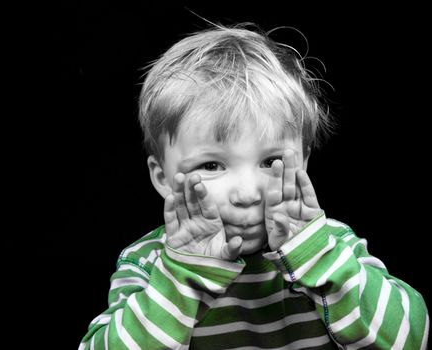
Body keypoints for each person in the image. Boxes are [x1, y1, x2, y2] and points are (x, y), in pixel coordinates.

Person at [79, 24, 429, 349]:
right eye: (212, 165)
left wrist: (318, 258)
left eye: (269, 162)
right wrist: (183, 277)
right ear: (162, 178)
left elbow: (410, 339)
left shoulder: (329, 244)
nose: (247, 194)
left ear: (302, 162)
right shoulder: (148, 262)